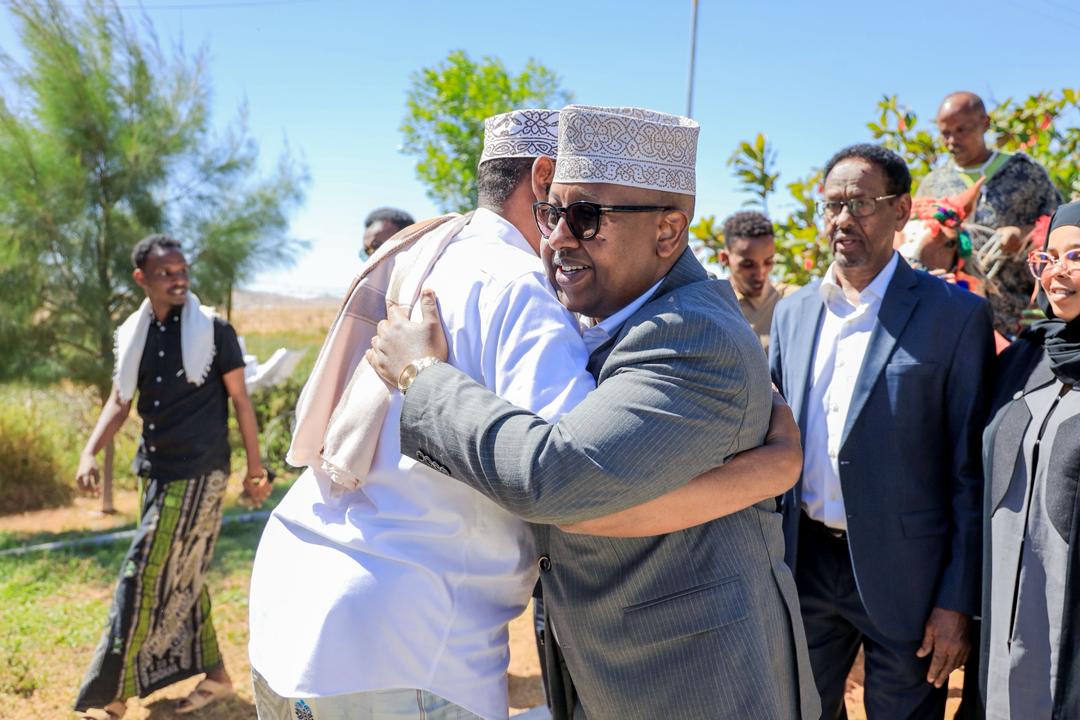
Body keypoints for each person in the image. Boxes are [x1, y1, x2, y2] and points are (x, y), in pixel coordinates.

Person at [367, 105, 819, 720]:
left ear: (668, 232)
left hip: (697, 685)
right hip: (611, 676)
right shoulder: (607, 314)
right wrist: (773, 468)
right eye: (550, 212)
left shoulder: (691, 335)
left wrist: (421, 377)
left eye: (585, 217)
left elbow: (557, 477)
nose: (557, 238)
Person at [769, 144, 995, 719]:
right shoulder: (793, 313)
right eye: (832, 205)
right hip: (805, 565)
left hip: (910, 579)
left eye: (861, 203)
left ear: (901, 211)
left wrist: (955, 601)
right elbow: (772, 443)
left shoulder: (955, 316)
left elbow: (970, 471)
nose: (843, 219)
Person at [73, 234, 271, 720]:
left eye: (182, 270)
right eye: (166, 273)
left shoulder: (214, 331)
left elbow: (241, 402)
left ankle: (111, 694)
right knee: (181, 571)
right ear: (142, 278)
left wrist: (255, 470)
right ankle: (217, 677)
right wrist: (89, 451)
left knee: (141, 571)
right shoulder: (135, 333)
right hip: (155, 472)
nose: (178, 279)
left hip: (201, 473)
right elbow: (120, 401)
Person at [979, 201, 1080, 719]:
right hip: (1003, 607)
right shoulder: (1026, 356)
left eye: (1076, 256)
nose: (1058, 271)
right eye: (1049, 257)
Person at [917, 91, 1061, 337]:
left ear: (985, 123)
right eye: (945, 133)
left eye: (961, 130)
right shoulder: (933, 185)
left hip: (1020, 320)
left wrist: (1024, 235)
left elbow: (1062, 230)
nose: (952, 141)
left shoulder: (1024, 173)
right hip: (953, 321)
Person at [719, 209, 796, 352]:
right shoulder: (714, 305)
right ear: (724, 258)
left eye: (768, 262)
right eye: (748, 265)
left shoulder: (793, 301)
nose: (760, 275)